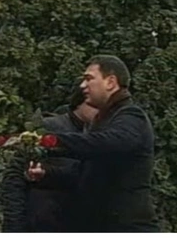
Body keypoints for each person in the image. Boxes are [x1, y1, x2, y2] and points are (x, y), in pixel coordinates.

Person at [30, 55, 158, 232]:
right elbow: (86, 174)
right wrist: (46, 174)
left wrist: (53, 141)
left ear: (110, 82)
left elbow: (108, 143)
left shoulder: (131, 116)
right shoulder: (102, 120)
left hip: (125, 226)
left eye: (89, 79)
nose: (83, 85)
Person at [1, 88, 97, 232]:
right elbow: (15, 175)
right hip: (42, 219)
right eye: (95, 105)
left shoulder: (99, 135)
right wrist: (14, 226)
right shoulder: (49, 127)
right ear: (80, 102)